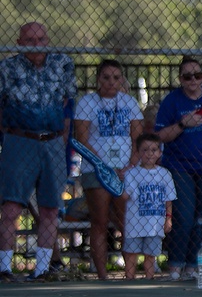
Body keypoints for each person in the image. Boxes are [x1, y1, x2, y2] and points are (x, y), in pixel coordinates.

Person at [0, 22, 77, 282]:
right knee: (11, 207)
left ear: (48, 40)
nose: (36, 44)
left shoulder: (62, 63)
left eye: (41, 39)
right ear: (19, 43)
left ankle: (44, 269)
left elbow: (66, 102)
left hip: (53, 142)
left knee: (50, 209)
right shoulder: (7, 68)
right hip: (19, 140)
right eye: (30, 40)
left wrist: (60, 137)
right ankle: (3, 268)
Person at [154, 56, 202, 281]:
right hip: (180, 166)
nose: (193, 80)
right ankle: (176, 266)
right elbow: (160, 135)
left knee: (200, 218)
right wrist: (182, 124)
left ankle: (192, 265)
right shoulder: (172, 102)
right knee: (184, 217)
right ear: (180, 79)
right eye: (187, 76)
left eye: (197, 75)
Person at [74, 58, 143, 280]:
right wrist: (104, 167)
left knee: (127, 221)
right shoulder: (87, 103)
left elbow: (137, 136)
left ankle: (130, 274)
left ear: (121, 80)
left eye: (116, 78)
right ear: (98, 80)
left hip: (125, 171)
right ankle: (103, 275)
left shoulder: (129, 103)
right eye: (106, 78)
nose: (111, 82)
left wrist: (131, 163)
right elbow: (82, 139)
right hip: (96, 170)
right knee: (100, 221)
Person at [121, 133, 176, 280]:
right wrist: (118, 185)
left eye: (153, 150)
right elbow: (126, 195)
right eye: (144, 150)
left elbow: (168, 199)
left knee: (150, 255)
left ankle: (149, 279)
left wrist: (168, 218)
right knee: (131, 254)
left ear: (159, 153)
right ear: (138, 152)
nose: (149, 154)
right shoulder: (131, 174)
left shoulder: (165, 174)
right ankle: (130, 280)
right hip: (134, 223)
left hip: (155, 224)